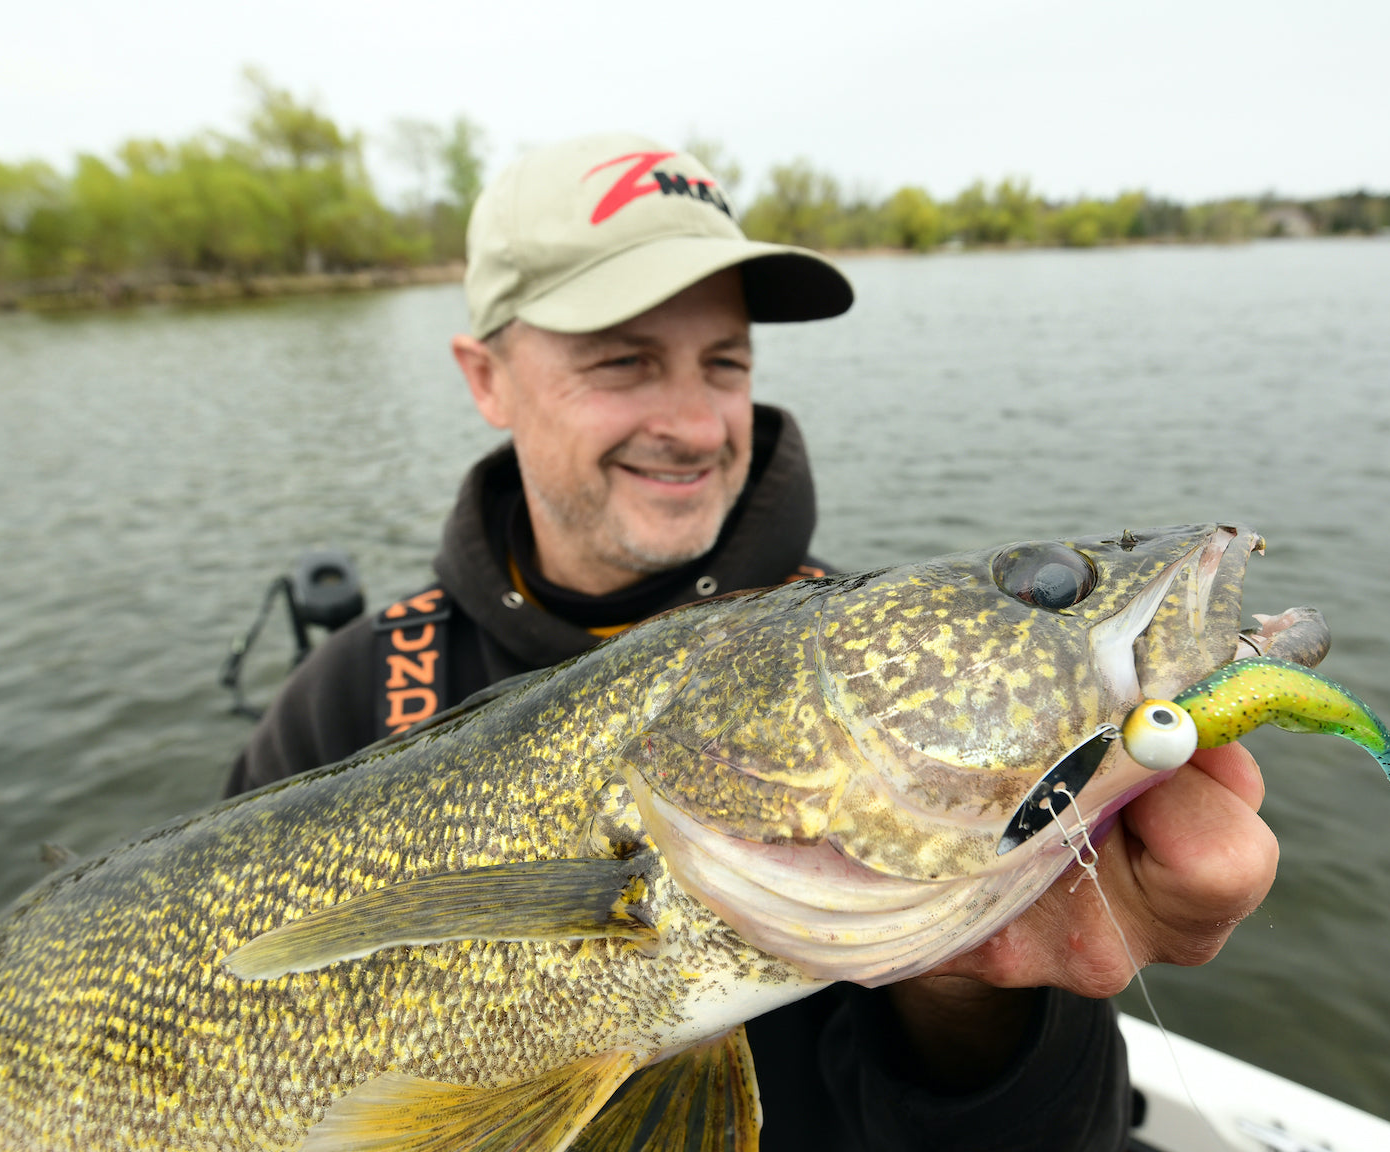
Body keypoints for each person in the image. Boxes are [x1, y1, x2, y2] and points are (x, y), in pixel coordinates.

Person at [226, 133, 1279, 1150]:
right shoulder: (341, 699)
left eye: (723, 362)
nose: (693, 423)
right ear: (486, 377)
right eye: (625, 362)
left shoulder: (876, 682)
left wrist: (980, 992)